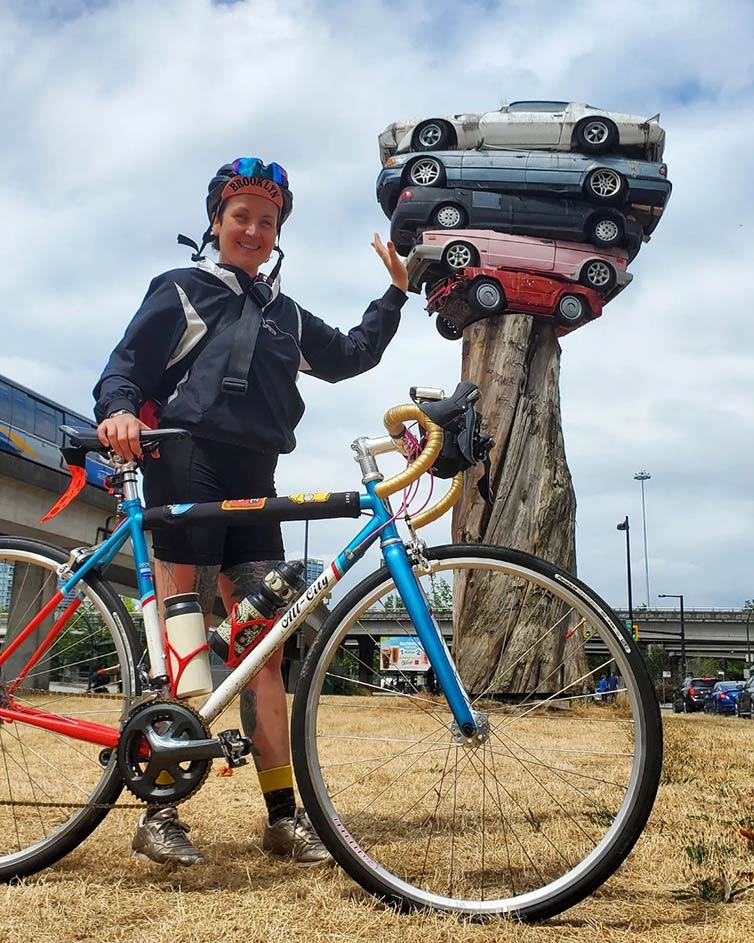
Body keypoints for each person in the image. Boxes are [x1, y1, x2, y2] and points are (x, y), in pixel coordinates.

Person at [94, 157, 409, 867]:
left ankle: (281, 818)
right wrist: (117, 411)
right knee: (186, 649)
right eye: (242, 216)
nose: (255, 229)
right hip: (188, 464)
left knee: (262, 655)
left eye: (268, 222)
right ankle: (162, 811)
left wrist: (394, 295)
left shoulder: (286, 315)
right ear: (217, 221)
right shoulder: (183, 289)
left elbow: (351, 354)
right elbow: (125, 368)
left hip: (257, 480)